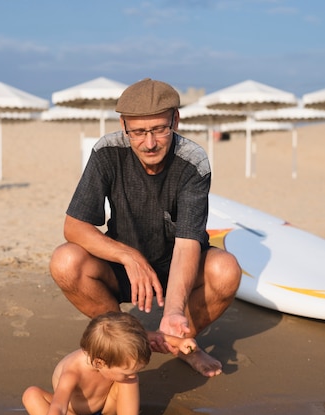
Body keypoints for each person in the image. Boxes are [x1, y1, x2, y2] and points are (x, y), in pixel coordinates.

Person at [49, 78, 242, 378]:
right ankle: (133, 337)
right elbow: (74, 227)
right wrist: (129, 256)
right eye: (138, 132)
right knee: (64, 261)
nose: (149, 143)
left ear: (175, 120)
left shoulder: (193, 161)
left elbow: (188, 242)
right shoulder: (107, 152)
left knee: (226, 269)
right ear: (124, 125)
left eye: (159, 130)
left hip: (178, 267)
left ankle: (180, 341)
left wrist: (175, 310)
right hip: (124, 271)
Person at [18, 311, 197, 415]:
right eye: (125, 371)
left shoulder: (120, 349)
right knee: (31, 395)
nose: (133, 374)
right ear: (99, 362)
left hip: (107, 409)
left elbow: (149, 336)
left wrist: (177, 342)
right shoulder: (72, 371)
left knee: (129, 381)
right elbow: (58, 407)